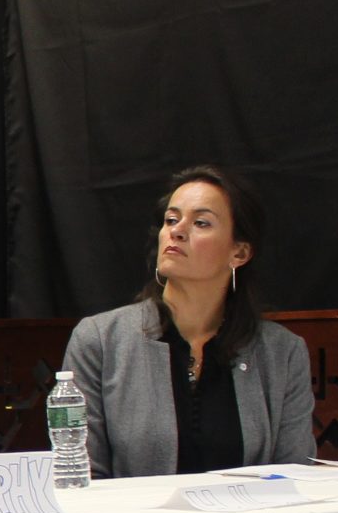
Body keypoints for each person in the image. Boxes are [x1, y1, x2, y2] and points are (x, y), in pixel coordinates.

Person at [60, 165, 315, 477]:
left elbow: (297, 476)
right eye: (171, 219)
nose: (177, 231)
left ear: (239, 252)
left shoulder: (283, 352)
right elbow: (82, 477)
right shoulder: (99, 340)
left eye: (201, 223)